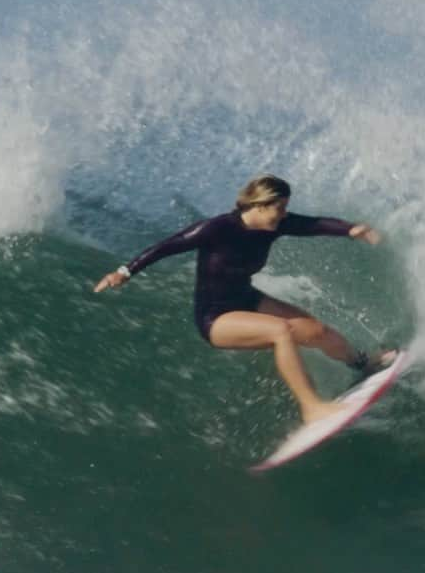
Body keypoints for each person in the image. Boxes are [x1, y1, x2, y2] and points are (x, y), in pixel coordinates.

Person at [94, 174, 396, 424]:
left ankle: (362, 363)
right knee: (281, 331)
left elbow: (312, 225)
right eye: (279, 208)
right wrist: (124, 272)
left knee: (316, 331)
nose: (283, 215)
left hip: (247, 299)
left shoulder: (273, 225)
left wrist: (352, 230)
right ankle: (312, 408)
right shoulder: (217, 228)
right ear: (260, 205)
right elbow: (166, 247)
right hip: (215, 318)